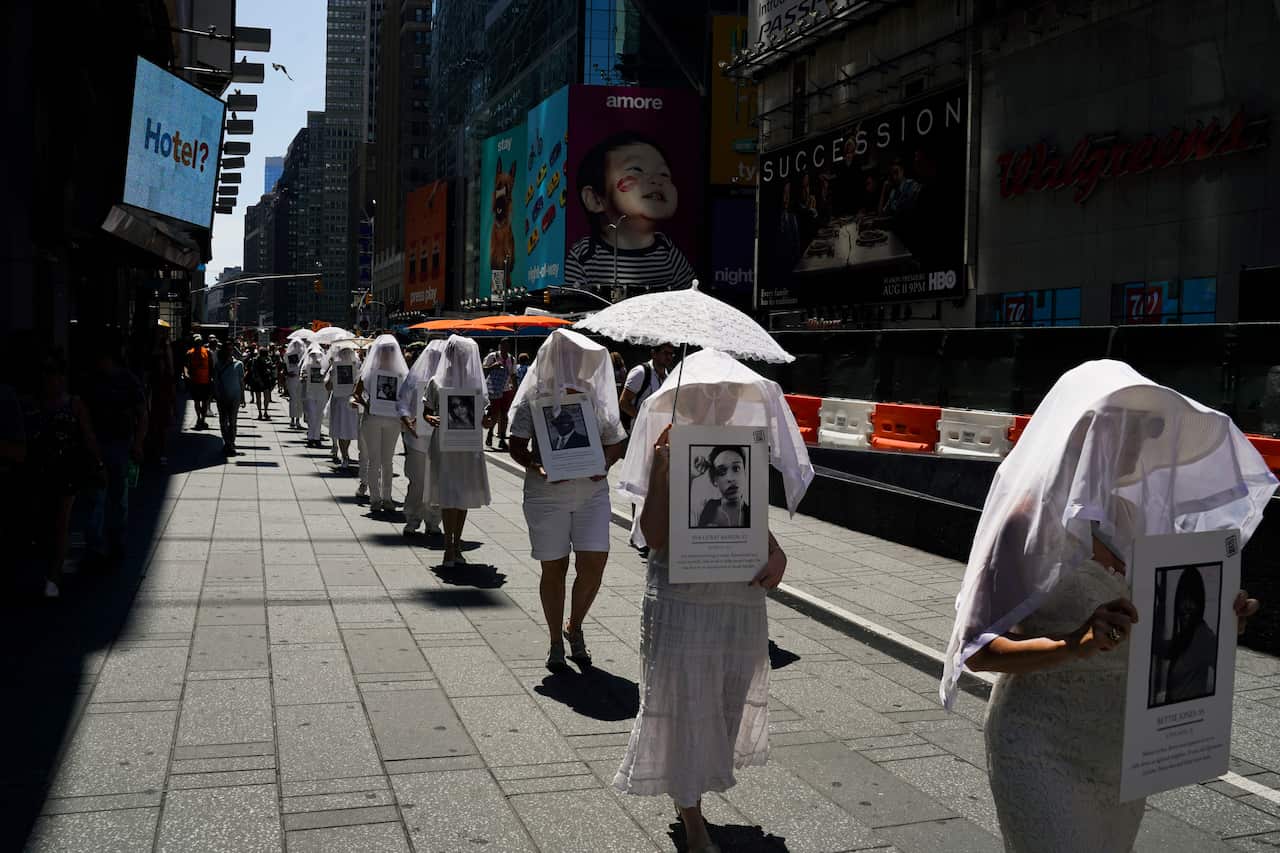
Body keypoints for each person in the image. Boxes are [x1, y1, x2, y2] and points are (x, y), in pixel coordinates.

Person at [941, 359, 1277, 853]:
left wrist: (1220, 621)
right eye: (1128, 427)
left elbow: (1165, 626)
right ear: (1082, 432)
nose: (1140, 441)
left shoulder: (1139, 517)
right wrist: (1071, 644)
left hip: (1121, 750)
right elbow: (977, 651)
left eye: (1148, 428)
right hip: (1040, 742)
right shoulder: (1026, 523)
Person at [612, 349, 810, 853]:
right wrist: (662, 468)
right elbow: (654, 535)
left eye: (730, 396)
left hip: (737, 600)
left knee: (723, 702)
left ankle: (690, 789)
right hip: (683, 599)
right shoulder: (669, 447)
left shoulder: (741, 451)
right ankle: (691, 813)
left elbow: (749, 522)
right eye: (707, 395)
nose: (719, 404)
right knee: (684, 703)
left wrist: (776, 552)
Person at [507, 330, 627, 671]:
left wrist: (606, 463)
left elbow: (616, 440)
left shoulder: (595, 397)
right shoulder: (533, 397)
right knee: (554, 567)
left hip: (591, 493)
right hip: (547, 494)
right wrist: (536, 465)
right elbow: (516, 444)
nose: (571, 362)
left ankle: (574, 625)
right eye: (566, 356)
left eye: (577, 356)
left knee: (594, 563)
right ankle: (555, 641)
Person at [565, 132, 695, 294]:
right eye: (636, 170)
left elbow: (691, 298)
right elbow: (571, 302)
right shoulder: (584, 255)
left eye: (664, 174)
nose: (657, 180)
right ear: (595, 199)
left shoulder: (668, 252)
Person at [26, 350, 101, 598]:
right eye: (45, 373)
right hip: (37, 469)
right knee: (42, 520)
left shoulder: (74, 404)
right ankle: (46, 569)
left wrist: (97, 462)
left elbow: (88, 435)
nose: (50, 378)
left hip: (67, 469)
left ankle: (53, 576)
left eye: (54, 373)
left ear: (62, 376)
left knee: (60, 521)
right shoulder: (32, 403)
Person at [424, 335, 491, 566]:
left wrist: (487, 420)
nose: (461, 359)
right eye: (457, 355)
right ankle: (448, 546)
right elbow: (426, 411)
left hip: (468, 445)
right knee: (448, 494)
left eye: (464, 356)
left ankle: (457, 543)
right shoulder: (436, 381)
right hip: (445, 444)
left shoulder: (475, 384)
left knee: (462, 495)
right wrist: (430, 418)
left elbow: (483, 415)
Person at [83, 338, 147, 567]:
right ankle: (97, 546)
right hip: (97, 445)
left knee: (116, 498)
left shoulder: (127, 380)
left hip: (120, 444)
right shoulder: (93, 380)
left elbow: (142, 414)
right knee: (99, 497)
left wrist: (137, 444)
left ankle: (114, 543)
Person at [620, 342, 678, 554]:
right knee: (642, 480)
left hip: (662, 435)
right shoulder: (641, 372)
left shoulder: (669, 376)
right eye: (665, 353)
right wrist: (643, 418)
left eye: (672, 354)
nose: (669, 357)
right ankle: (639, 534)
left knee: (659, 480)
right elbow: (624, 402)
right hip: (642, 435)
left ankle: (651, 530)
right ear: (654, 353)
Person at [353, 335, 407, 514]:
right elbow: (356, 393)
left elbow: (405, 397)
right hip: (373, 418)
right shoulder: (368, 372)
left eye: (391, 350)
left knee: (387, 460)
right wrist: (366, 404)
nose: (387, 354)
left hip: (392, 420)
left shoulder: (401, 374)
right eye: (384, 350)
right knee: (374, 459)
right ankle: (375, 498)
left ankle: (387, 497)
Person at [398, 339, 445, 537]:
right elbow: (402, 401)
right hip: (417, 437)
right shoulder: (414, 377)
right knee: (417, 481)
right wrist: (406, 419)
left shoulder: (447, 381)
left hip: (440, 439)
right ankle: (412, 518)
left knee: (437, 482)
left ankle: (433, 520)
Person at [1154, 567, 1219, 705]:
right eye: (1183, 598)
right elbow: (1164, 649)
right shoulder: (1186, 635)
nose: (1186, 605)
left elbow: (1224, 672)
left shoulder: (1204, 637)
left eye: (1192, 599)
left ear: (1200, 603)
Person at [692, 446, 749, 528]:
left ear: (745, 473)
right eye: (722, 471)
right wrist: (692, 474)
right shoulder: (702, 508)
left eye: (736, 468)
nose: (730, 478)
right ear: (714, 480)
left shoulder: (754, 515)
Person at [325, 342, 361, 469]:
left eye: (347, 353)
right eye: (343, 353)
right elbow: (328, 386)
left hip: (349, 401)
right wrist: (332, 377)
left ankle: (345, 454)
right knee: (342, 429)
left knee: (347, 429)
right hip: (339, 402)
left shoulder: (357, 368)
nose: (345, 356)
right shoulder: (334, 368)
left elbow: (360, 386)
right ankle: (345, 455)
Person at [145, 327, 176, 466]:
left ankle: (157, 452)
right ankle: (157, 452)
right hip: (156, 395)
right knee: (158, 427)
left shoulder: (160, 353)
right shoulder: (160, 355)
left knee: (158, 427)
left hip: (158, 396)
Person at [211, 339, 245, 457]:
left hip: (235, 397)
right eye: (227, 349)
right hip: (222, 397)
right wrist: (216, 395)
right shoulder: (218, 365)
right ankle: (227, 442)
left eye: (231, 349)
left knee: (233, 421)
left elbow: (241, 382)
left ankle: (231, 443)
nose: (229, 351)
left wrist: (243, 398)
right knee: (223, 421)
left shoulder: (239, 364)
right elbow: (215, 382)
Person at [483, 340, 515, 450]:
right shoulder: (492, 356)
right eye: (503, 346)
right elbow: (483, 370)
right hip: (494, 389)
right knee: (495, 414)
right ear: (499, 346)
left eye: (507, 346)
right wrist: (492, 366)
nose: (505, 348)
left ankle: (502, 439)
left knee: (504, 415)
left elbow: (513, 375)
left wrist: (515, 391)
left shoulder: (512, 359)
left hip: (506, 390)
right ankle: (490, 433)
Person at [302, 343, 328, 449]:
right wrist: (304, 377)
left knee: (319, 416)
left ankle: (316, 437)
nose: (315, 357)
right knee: (312, 416)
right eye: (313, 355)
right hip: (311, 393)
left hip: (321, 393)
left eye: (317, 355)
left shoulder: (325, 366)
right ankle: (311, 437)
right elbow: (302, 376)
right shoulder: (307, 366)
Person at [185, 334, 213, 430]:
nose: (198, 343)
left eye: (199, 342)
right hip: (195, 381)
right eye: (196, 342)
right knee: (197, 402)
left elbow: (211, 366)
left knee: (204, 402)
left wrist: (212, 378)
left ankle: (202, 419)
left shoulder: (207, 352)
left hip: (205, 381)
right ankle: (199, 418)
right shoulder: (190, 353)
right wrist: (187, 375)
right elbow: (186, 366)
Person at [284, 338, 307, 429]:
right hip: (297, 379)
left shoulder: (288, 354)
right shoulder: (303, 354)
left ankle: (293, 419)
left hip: (292, 379)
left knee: (294, 399)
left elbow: (285, 366)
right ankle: (296, 420)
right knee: (298, 399)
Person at [248, 346, 275, 420]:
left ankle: (264, 411)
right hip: (259, 380)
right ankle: (260, 412)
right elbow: (255, 371)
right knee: (260, 397)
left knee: (265, 397)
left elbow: (271, 367)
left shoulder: (267, 359)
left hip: (264, 380)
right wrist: (259, 380)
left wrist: (270, 368)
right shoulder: (256, 360)